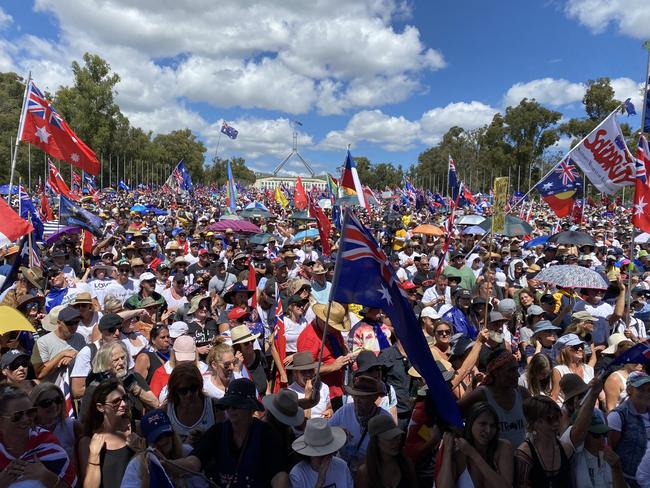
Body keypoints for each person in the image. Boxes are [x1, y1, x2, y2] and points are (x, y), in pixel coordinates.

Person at [174, 378, 289, 487]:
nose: (231, 409)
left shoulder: (266, 434)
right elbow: (193, 463)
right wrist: (163, 464)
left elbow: (279, 475)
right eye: (228, 405)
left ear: (251, 409)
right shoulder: (217, 432)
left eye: (237, 405)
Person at [0, 383, 77, 487]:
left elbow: (71, 485)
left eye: (29, 412)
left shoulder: (46, 443)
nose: (26, 419)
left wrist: (46, 476)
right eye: (17, 416)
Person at [78, 378, 145, 487]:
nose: (123, 404)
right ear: (100, 407)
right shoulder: (88, 441)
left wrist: (142, 452)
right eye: (116, 402)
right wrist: (94, 456)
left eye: (124, 398)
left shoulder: (137, 428)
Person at [459, 350, 530, 449]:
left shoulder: (523, 394)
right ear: (496, 372)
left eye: (516, 369)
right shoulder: (482, 394)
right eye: (511, 370)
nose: (517, 375)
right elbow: (455, 414)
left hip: (522, 460)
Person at [120, 408, 209, 487]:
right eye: (157, 438)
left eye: (167, 434)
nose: (164, 441)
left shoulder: (187, 453)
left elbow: (201, 483)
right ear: (147, 441)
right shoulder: (137, 464)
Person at [436, 402, 513, 488]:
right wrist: (448, 449)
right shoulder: (459, 453)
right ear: (470, 423)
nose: (488, 430)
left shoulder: (503, 447)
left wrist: (473, 454)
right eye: (483, 424)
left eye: (493, 426)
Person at [328, 375, 392, 473]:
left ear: (374, 397)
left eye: (362, 397)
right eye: (355, 395)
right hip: (343, 470)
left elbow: (390, 452)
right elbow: (326, 432)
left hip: (370, 473)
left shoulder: (385, 419)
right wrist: (337, 433)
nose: (357, 400)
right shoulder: (345, 411)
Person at [297, 302, 353, 410]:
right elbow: (304, 371)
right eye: (333, 326)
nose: (336, 329)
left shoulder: (331, 330)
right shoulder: (309, 339)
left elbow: (340, 345)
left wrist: (346, 355)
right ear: (322, 321)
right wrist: (333, 366)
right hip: (322, 396)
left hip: (337, 388)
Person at [514, 395, 574, 488]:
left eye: (558, 417)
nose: (556, 423)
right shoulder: (524, 455)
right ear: (534, 422)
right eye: (549, 419)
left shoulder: (567, 450)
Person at [607, 372, 650, 486]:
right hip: (627, 481)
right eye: (641, 389)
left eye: (649, 390)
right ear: (629, 390)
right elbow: (609, 451)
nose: (646, 394)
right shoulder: (618, 416)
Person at [30, 382, 82, 470]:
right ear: (34, 406)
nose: (54, 405)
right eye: (46, 403)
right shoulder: (27, 432)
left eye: (58, 400)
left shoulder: (73, 426)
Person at [356, 415, 417, 488]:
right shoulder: (365, 473)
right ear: (376, 441)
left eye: (397, 436)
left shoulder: (406, 464)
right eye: (390, 438)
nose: (396, 442)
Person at [290, 418, 352, 488]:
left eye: (328, 452)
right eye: (319, 455)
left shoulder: (342, 467)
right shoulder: (298, 475)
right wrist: (320, 482)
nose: (326, 457)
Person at [164, 362, 217, 443]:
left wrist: (206, 438)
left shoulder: (215, 407)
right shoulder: (166, 411)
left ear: (200, 386)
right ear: (174, 390)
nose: (189, 395)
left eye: (193, 388)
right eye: (183, 391)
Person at [31, 305, 86, 383]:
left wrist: (74, 359)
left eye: (76, 322)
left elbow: (87, 362)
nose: (74, 326)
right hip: (53, 391)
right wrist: (62, 354)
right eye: (69, 323)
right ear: (59, 323)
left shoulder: (80, 338)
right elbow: (40, 374)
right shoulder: (42, 342)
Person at [551, 333, 595, 403]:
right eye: (576, 347)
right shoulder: (559, 370)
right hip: (567, 410)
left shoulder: (589, 369)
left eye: (581, 346)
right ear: (565, 350)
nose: (580, 349)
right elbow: (554, 396)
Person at [287, 351, 333, 419]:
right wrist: (307, 397)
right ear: (295, 374)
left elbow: (329, 407)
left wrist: (330, 412)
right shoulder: (290, 393)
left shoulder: (323, 387)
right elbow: (303, 421)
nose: (308, 374)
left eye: (310, 370)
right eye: (304, 371)